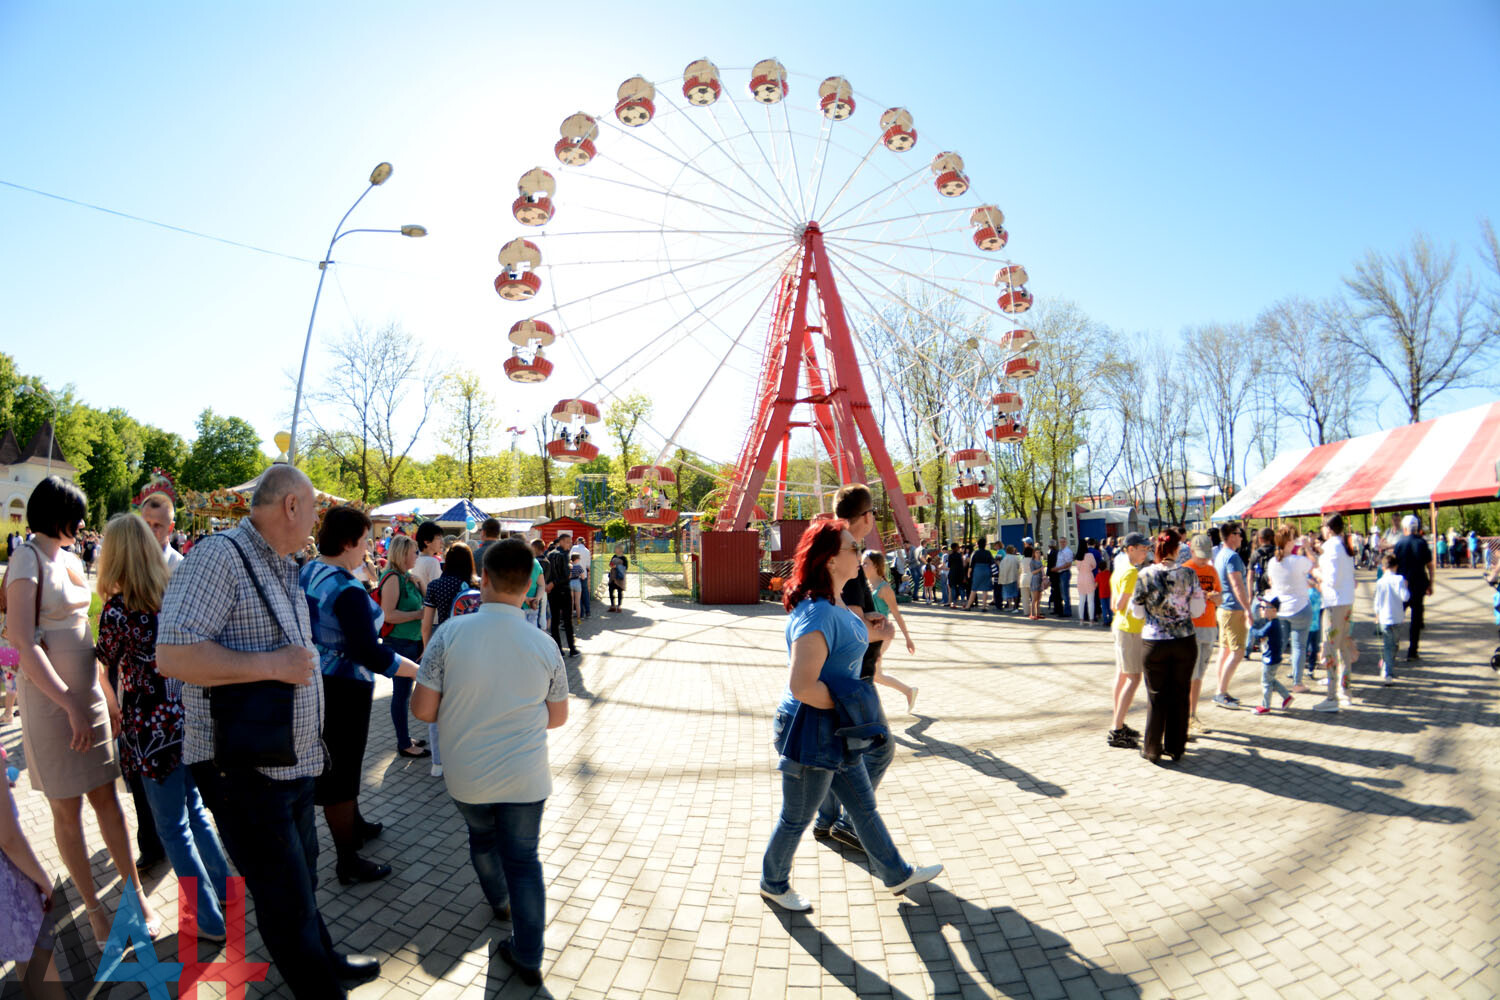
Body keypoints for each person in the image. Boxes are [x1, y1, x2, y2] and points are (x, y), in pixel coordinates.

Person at [157, 464, 380, 997]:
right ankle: (320, 987)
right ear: (290, 507)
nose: (315, 524)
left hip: (292, 763)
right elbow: (172, 655)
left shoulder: (282, 563)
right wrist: (272, 666)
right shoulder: (219, 557)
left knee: (301, 881)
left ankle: (326, 961)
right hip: (246, 771)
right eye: (313, 511)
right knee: (285, 898)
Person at [4, 476, 159, 948]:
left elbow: (87, 629)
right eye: (77, 514)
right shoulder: (26, 558)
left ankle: (135, 893)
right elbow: (22, 641)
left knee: (107, 798)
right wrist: (69, 702)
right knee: (66, 808)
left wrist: (104, 698)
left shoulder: (68, 557)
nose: (83, 523)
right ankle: (94, 911)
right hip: (53, 707)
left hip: (87, 698)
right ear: (59, 513)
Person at [760, 518, 942, 912]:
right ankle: (772, 883)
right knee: (796, 818)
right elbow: (803, 686)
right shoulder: (818, 614)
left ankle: (897, 874)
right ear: (829, 560)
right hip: (811, 731)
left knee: (862, 807)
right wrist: (853, 705)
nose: (861, 554)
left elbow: (842, 646)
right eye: (852, 549)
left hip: (834, 730)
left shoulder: (837, 604)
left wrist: (870, 629)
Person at [412, 539, 569, 988]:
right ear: (528, 584)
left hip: (467, 776)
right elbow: (558, 719)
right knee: (525, 861)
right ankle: (530, 953)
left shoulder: (449, 635)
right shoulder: (544, 645)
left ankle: (498, 901)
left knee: (481, 838)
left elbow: (423, 711)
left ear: (484, 576)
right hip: (526, 777)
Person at [94, 513, 233, 942]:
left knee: (173, 827)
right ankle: (225, 889)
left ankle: (209, 919)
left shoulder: (118, 612)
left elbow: (103, 663)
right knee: (194, 812)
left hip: (150, 730)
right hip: (186, 716)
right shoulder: (171, 596)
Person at [302, 506, 420, 885]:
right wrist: (421, 672)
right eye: (366, 539)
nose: (369, 546)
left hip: (317, 680)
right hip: (344, 689)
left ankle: (356, 824)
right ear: (349, 542)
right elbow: (370, 652)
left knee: (341, 764)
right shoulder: (346, 589)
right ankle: (347, 860)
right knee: (341, 771)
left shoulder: (311, 570)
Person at [812, 485, 895, 853]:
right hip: (851, 673)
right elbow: (845, 615)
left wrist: (869, 619)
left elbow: (850, 611)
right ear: (866, 516)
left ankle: (826, 819)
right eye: (873, 513)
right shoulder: (845, 554)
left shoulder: (843, 550)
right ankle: (846, 822)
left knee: (840, 754)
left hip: (844, 670)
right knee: (881, 748)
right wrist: (879, 628)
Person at [1128, 530, 1205, 762]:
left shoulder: (1145, 574)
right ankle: (1176, 747)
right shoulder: (1189, 574)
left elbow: (1137, 611)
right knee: (1181, 694)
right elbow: (1197, 611)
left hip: (1154, 642)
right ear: (1176, 549)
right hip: (1184, 640)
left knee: (1156, 696)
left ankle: (1152, 748)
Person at [0, 748, 65, 998]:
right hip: (7, 883)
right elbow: (8, 838)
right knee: (35, 957)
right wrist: (44, 883)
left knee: (23, 954)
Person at [422, 543, 478, 779]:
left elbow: (426, 625)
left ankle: (438, 762)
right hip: (471, 652)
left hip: (442, 649)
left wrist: (427, 651)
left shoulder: (435, 586)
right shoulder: (477, 585)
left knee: (437, 707)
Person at [377, 534, 429, 759]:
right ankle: (403, 743)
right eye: (414, 552)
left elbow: (427, 602)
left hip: (412, 642)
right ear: (403, 553)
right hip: (399, 643)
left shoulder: (406, 577)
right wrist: (418, 614)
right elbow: (389, 615)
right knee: (400, 695)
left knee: (404, 694)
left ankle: (405, 738)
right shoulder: (392, 578)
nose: (417, 555)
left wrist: (420, 583)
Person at [1106, 533, 1150, 749]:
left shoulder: (1121, 568)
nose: (1146, 552)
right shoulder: (1132, 571)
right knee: (1133, 678)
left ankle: (1119, 723)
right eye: (1143, 548)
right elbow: (1121, 603)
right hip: (1130, 628)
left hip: (1121, 627)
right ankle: (1116, 729)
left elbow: (1114, 604)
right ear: (1130, 548)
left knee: (1123, 676)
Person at [1311, 513, 1357, 713]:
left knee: (1330, 648)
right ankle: (1345, 691)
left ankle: (1331, 696)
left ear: (1328, 528)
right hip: (1346, 601)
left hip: (1334, 602)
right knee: (1343, 646)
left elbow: (1331, 579)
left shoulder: (1331, 547)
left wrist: (1316, 573)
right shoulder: (1344, 546)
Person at [862, 552, 917, 712]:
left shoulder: (884, 588)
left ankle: (872, 713)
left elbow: (897, 614)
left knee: (869, 673)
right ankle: (908, 691)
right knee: (876, 675)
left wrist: (908, 638)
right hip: (869, 635)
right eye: (862, 563)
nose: (863, 566)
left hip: (882, 635)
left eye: (866, 563)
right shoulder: (865, 585)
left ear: (876, 566)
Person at [1264, 525, 1315, 694]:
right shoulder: (1298, 561)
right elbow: (1314, 564)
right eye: (1293, 539)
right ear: (1288, 542)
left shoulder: (1273, 562)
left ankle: (1270, 678)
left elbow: (1271, 582)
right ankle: (1297, 682)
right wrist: (1307, 548)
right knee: (1299, 646)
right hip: (1300, 606)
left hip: (1281, 609)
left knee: (1279, 646)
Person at [1211, 521, 1252, 709]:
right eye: (1239, 533)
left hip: (1224, 609)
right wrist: (1247, 609)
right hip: (1233, 609)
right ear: (1231, 536)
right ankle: (1220, 692)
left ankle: (1221, 690)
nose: (1241, 537)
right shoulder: (1233, 557)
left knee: (1225, 651)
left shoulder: (1221, 555)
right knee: (1237, 652)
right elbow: (1237, 585)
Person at [1183, 533, 1220, 738]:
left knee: (1199, 675)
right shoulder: (1187, 569)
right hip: (1192, 628)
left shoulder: (1212, 570)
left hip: (1209, 626)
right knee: (1191, 675)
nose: (1203, 560)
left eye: (1206, 555)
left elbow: (1221, 597)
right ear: (1191, 551)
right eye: (1200, 556)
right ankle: (1186, 716)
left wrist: (1216, 598)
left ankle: (1192, 714)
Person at [1392, 514, 1434, 660]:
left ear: (1404, 528)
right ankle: (1412, 651)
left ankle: (1393, 648)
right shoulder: (1422, 543)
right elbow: (1430, 566)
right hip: (1419, 585)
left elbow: (1394, 566)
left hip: (1402, 585)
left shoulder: (1399, 543)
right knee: (1416, 620)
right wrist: (1431, 584)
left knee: (1396, 617)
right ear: (1417, 528)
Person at [1248, 598, 1290, 715]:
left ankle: (1265, 706)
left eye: (1265, 608)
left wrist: (1251, 628)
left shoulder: (1272, 624)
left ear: (1274, 610)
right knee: (1270, 680)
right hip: (1272, 657)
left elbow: (1260, 633)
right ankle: (1287, 697)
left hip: (1271, 658)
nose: (1262, 610)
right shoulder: (1272, 623)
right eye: (1261, 608)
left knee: (1266, 682)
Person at [1373, 553, 1409, 684]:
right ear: (1396, 566)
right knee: (1394, 644)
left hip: (1384, 616)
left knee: (1387, 644)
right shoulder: (1399, 579)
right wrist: (1406, 585)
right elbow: (1405, 597)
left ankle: (1387, 667)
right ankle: (1388, 671)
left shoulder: (1380, 581)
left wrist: (1376, 614)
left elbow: (1377, 601)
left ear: (1384, 567)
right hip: (1397, 616)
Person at [545, 534, 579, 657]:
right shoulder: (563, 556)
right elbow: (565, 576)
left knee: (554, 621)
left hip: (552, 593)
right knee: (567, 621)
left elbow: (547, 573)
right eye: (568, 542)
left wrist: (549, 584)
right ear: (562, 542)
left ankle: (558, 649)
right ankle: (572, 648)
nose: (570, 545)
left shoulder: (549, 554)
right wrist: (555, 583)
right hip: (563, 591)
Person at [410, 521, 444, 596]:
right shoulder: (432, 562)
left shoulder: (415, 560)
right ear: (427, 542)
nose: (442, 542)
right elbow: (438, 591)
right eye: (438, 538)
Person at [962, 538, 994, 611]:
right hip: (986, 570)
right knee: (985, 590)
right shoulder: (988, 553)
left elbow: (971, 564)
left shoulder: (975, 553)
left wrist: (968, 573)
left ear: (978, 544)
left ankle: (968, 606)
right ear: (985, 545)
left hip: (977, 571)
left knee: (974, 589)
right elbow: (992, 562)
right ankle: (984, 607)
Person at [526, 538, 550, 629]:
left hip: (525, 601)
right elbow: (543, 582)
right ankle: (544, 631)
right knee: (543, 614)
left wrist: (526, 598)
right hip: (540, 594)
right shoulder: (545, 561)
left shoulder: (533, 561)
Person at [570, 535, 593, 619]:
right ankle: (588, 612)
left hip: (574, 576)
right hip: (584, 575)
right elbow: (588, 566)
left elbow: (570, 559)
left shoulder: (574, 548)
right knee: (585, 594)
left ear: (577, 541)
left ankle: (580, 614)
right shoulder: (587, 551)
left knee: (577, 597)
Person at [1076, 539, 1098, 624]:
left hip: (1080, 577)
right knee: (1090, 601)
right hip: (1089, 577)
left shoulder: (1078, 557)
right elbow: (1094, 565)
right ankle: (1091, 619)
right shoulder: (1090, 555)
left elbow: (1077, 568)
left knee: (1081, 600)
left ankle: (1081, 620)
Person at [1054, 537, 1074, 618]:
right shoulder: (1060, 551)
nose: (1062, 543)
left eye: (1063, 542)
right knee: (1063, 593)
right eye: (1061, 542)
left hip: (1065, 572)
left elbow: (1068, 563)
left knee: (1065, 593)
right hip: (1060, 573)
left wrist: (1058, 568)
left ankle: (1067, 611)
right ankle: (1065, 610)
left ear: (1066, 542)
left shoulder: (1067, 551)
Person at [607, 546, 628, 612]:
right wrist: (611, 565)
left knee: (619, 592)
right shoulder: (614, 556)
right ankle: (612, 605)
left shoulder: (624, 558)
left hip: (619, 577)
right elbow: (610, 563)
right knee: (610, 591)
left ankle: (619, 606)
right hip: (612, 576)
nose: (615, 550)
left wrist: (617, 566)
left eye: (617, 549)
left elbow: (626, 567)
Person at [568, 553, 585, 620]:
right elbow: (583, 577)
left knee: (571, 602)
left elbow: (568, 576)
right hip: (577, 582)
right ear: (577, 559)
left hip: (570, 583)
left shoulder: (570, 566)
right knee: (577, 602)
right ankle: (578, 619)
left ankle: (571, 618)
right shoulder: (579, 567)